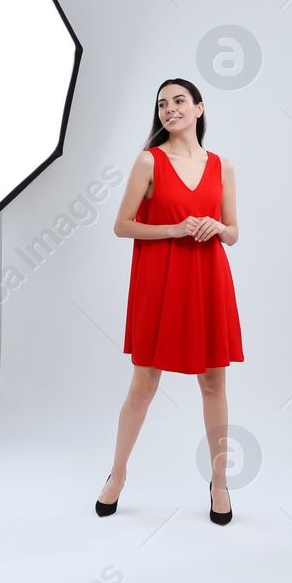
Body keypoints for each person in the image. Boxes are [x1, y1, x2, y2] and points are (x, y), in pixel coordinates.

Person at [96, 78, 243, 524]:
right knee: (144, 383)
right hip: (159, 280)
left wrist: (216, 228)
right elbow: (122, 226)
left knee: (214, 382)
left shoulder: (223, 166)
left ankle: (220, 482)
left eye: (179, 101)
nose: (169, 109)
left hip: (208, 278)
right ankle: (117, 474)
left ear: (199, 108)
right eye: (162, 104)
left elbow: (233, 232)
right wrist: (176, 229)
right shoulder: (149, 161)